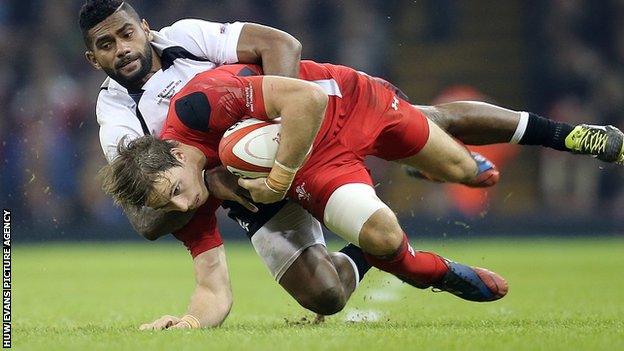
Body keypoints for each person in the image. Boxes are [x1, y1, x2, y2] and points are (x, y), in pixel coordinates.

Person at [101, 59, 623, 328]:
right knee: (329, 294)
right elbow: (214, 288)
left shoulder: (196, 103)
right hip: (309, 167)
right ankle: (420, 267)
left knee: (470, 170)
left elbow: (301, 92)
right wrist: (189, 321)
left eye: (174, 193)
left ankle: (568, 136)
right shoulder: (181, 193)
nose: (182, 206)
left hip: (339, 103)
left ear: (172, 156)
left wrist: (279, 176)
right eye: (167, 205)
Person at [80, 0, 369, 330]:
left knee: (413, 125)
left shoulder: (186, 37)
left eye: (126, 34)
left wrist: (273, 139)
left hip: (286, 143)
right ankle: (370, 250)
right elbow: (144, 219)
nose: (121, 49)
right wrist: (206, 181)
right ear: (93, 59)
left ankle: (381, 230)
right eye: (106, 45)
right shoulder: (116, 116)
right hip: (242, 189)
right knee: (326, 295)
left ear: (145, 28)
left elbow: (280, 45)